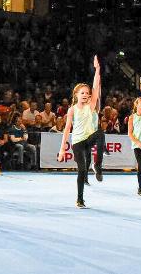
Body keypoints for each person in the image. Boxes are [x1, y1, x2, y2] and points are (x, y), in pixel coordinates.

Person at [57, 56, 105, 209]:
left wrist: (97, 70)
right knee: (82, 170)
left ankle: (97, 165)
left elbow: (96, 87)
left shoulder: (91, 106)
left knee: (100, 133)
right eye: (82, 93)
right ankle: (80, 199)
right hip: (78, 142)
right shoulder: (72, 110)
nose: (85, 94)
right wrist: (61, 150)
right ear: (76, 94)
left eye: (87, 93)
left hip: (89, 138)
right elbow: (66, 130)